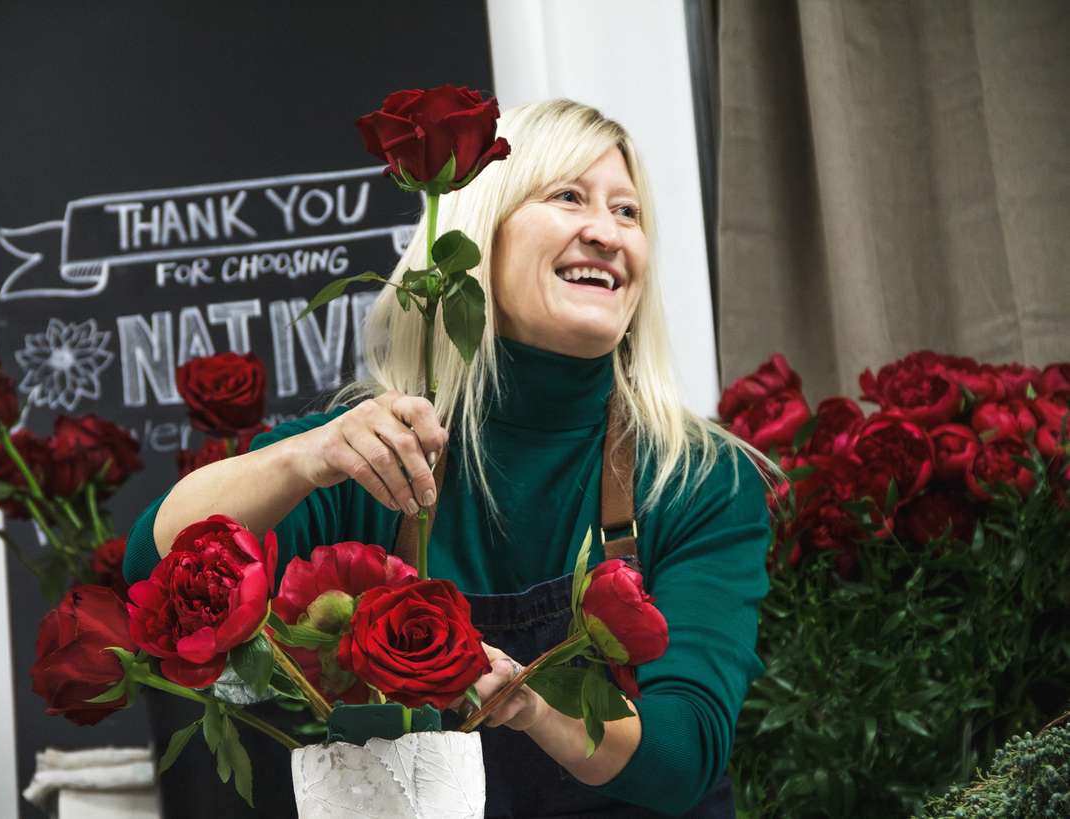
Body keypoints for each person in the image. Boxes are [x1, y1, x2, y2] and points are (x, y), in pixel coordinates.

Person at [123, 98, 776, 818]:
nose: (606, 232)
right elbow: (153, 567)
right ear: (481, 229)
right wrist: (303, 459)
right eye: (568, 197)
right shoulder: (367, 454)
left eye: (628, 212)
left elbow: (681, 757)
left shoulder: (701, 478)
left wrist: (534, 706)